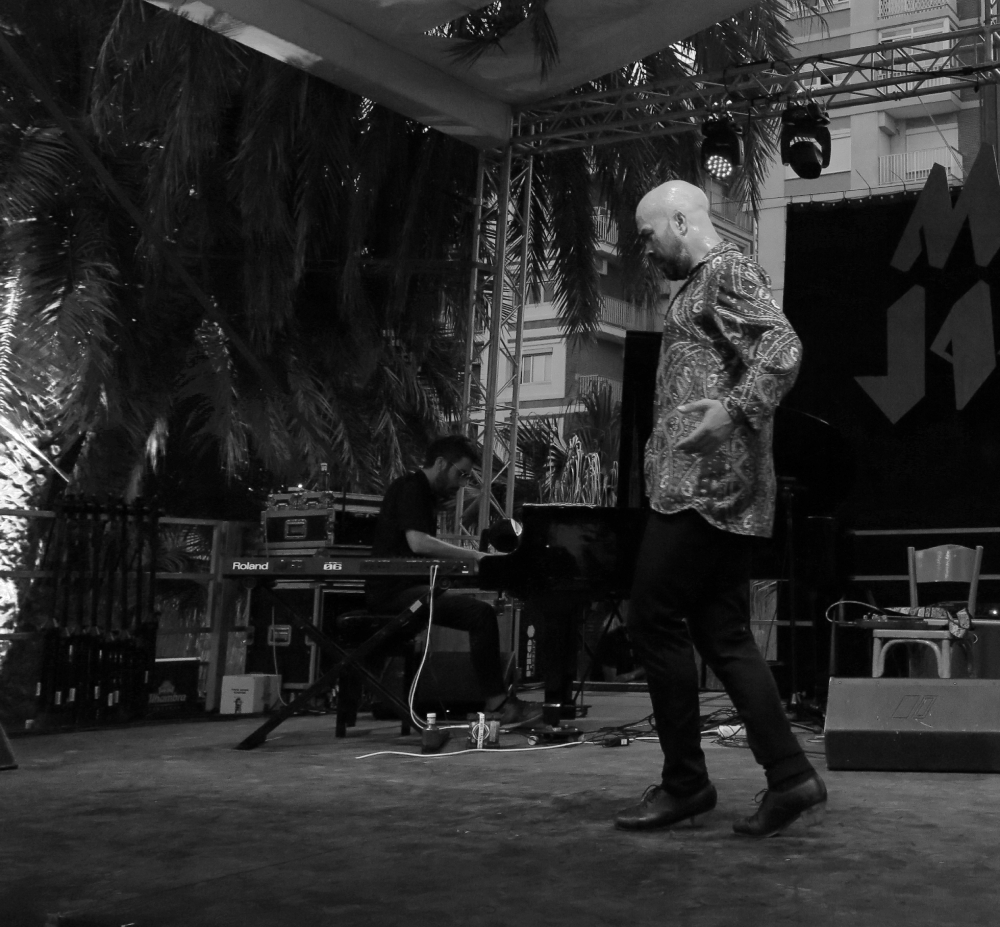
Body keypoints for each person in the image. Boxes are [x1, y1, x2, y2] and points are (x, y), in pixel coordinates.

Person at [614, 180, 826, 837]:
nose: (646, 249)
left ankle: (686, 783)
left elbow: (783, 346)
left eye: (649, 235)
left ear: (681, 221)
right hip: (709, 489)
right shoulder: (700, 286)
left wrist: (733, 411)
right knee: (724, 632)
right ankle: (791, 776)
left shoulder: (724, 272)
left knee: (652, 616)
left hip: (702, 490)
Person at [366, 433, 542, 727]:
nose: (461, 484)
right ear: (440, 463)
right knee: (480, 614)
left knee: (478, 612)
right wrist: (475, 556)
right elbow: (419, 543)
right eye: (461, 474)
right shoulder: (412, 488)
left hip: (407, 588)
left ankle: (497, 701)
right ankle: (498, 704)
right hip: (394, 593)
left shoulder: (419, 492)